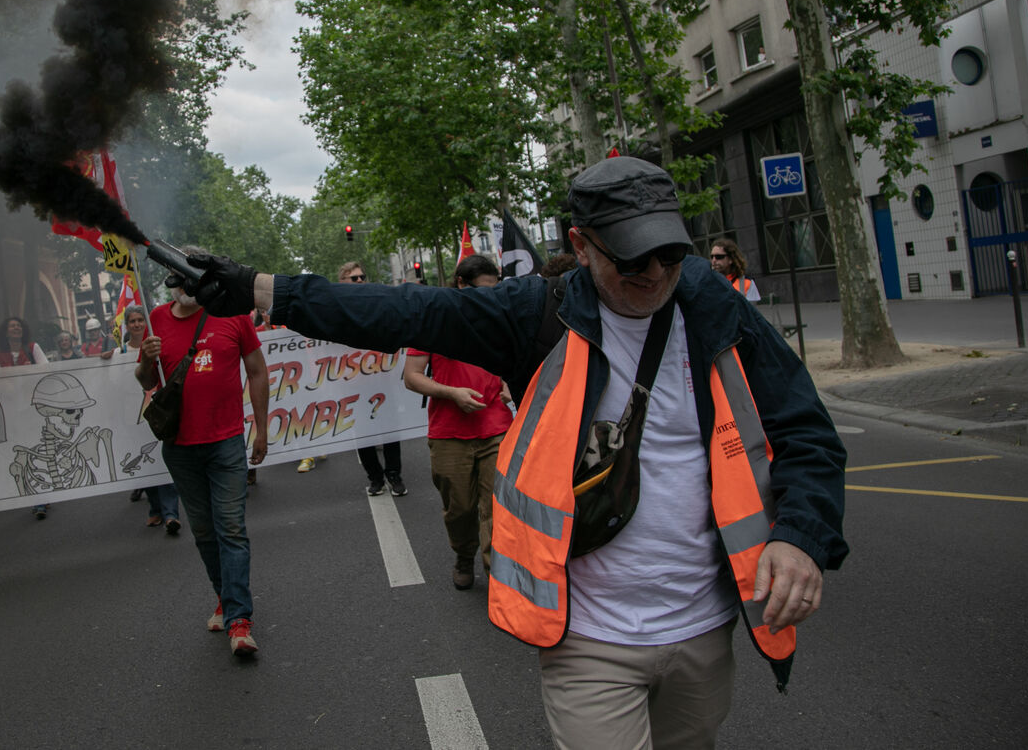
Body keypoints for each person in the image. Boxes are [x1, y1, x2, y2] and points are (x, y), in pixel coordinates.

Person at [179, 156, 847, 748]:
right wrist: (260, 289)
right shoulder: (538, 313)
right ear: (581, 245)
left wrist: (800, 537)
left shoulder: (713, 306)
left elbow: (806, 431)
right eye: (631, 260)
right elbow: (405, 310)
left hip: (706, 629)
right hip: (590, 638)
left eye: (669, 255)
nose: (654, 275)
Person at [135, 254, 269, 657]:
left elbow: (257, 371)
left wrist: (262, 430)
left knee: (231, 528)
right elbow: (145, 380)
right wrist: (147, 359)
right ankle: (225, 598)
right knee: (205, 532)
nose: (185, 288)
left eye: (191, 279)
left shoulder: (233, 314)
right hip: (179, 448)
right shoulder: (156, 319)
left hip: (226, 443)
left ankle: (239, 621)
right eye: (177, 281)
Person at [402, 255, 512, 590]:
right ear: (461, 284)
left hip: (498, 429)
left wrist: (509, 382)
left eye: (493, 291)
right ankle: (464, 556)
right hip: (449, 434)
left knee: (497, 508)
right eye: (481, 291)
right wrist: (451, 393)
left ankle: (498, 577)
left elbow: (514, 359)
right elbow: (411, 377)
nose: (488, 298)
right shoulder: (433, 319)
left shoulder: (500, 316)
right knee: (460, 509)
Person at [340, 261, 404, 496]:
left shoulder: (377, 303)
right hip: (354, 385)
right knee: (363, 434)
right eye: (354, 278)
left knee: (390, 430)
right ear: (342, 282)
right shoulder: (336, 310)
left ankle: (394, 475)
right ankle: (375, 478)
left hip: (382, 380)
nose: (360, 280)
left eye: (362, 277)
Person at [119, 305, 180, 532]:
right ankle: (155, 509)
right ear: (127, 325)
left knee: (163, 461)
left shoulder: (157, 344)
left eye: (140, 320)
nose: (136, 324)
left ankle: (171, 513)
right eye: (132, 321)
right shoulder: (119, 353)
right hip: (134, 417)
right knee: (146, 463)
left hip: (158, 412)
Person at [0, 316, 51, 518]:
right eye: (12, 326)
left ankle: (41, 497)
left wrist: (24, 374)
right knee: (23, 454)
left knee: (37, 450)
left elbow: (46, 370)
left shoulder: (33, 348)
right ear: (6, 332)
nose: (16, 328)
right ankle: (37, 496)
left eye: (18, 325)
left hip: (33, 409)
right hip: (13, 413)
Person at [710, 237, 761, 302]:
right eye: (712, 257)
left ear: (731, 259)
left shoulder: (746, 283)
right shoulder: (708, 283)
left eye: (718, 257)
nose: (714, 260)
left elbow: (752, 307)